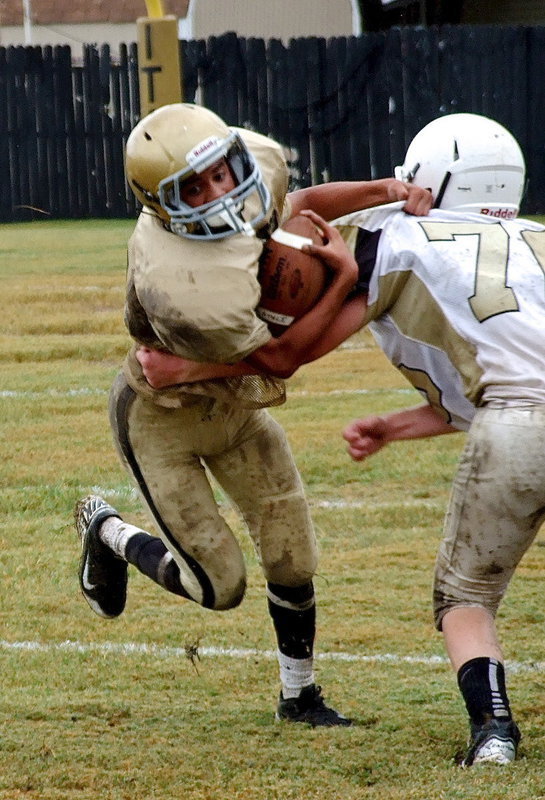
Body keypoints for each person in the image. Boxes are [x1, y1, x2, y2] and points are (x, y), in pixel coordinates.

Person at [75, 102, 432, 727]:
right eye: (192, 187)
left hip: (235, 408)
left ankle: (300, 697)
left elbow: (301, 204)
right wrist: (344, 274)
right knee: (220, 586)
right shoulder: (179, 282)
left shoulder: (250, 163)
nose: (218, 191)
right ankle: (105, 528)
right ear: (160, 203)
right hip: (163, 417)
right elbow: (284, 357)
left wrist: (388, 190)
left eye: (220, 171)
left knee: (292, 553)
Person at [335, 114, 544, 766]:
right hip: (512, 409)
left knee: (466, 595)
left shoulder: (409, 236)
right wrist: (394, 426)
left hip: (515, 424)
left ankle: (493, 734)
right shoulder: (535, 236)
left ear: (428, 175)